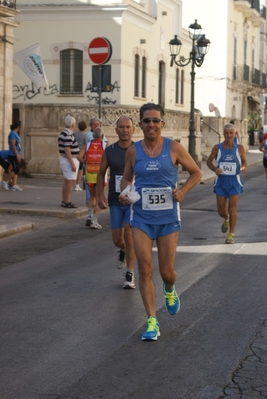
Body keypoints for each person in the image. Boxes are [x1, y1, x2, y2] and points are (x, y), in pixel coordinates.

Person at [119, 103, 202, 341]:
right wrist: (125, 192)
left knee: (167, 272)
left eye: (155, 120)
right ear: (141, 124)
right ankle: (152, 322)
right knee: (145, 267)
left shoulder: (174, 148)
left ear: (162, 123)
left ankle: (169, 288)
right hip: (141, 216)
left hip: (167, 218)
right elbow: (126, 177)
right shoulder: (133, 151)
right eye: (147, 121)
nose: (151, 125)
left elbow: (196, 172)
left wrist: (183, 191)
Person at [97, 116, 136, 288]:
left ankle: (130, 274)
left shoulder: (138, 149)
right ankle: (123, 250)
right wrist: (100, 196)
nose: (125, 130)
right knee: (117, 240)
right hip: (115, 199)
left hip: (133, 201)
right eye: (122, 127)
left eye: (128, 127)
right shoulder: (110, 150)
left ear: (133, 130)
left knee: (129, 235)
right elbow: (100, 173)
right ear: (116, 130)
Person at [206, 123, 247, 244]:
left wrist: (243, 167)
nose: (229, 135)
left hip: (234, 182)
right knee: (221, 211)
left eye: (231, 133)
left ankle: (231, 234)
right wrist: (215, 169)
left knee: (232, 207)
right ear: (223, 134)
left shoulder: (239, 148)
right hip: (221, 183)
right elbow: (208, 162)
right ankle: (226, 218)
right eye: (226, 133)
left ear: (234, 134)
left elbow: (244, 162)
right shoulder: (217, 148)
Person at [78, 127, 107, 229]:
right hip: (101, 175)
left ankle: (89, 216)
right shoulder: (105, 145)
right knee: (100, 198)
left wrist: (87, 162)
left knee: (92, 196)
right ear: (102, 136)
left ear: (93, 136)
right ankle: (94, 221)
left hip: (90, 173)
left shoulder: (88, 145)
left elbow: (79, 157)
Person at [58, 115, 79, 208]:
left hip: (65, 159)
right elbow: (67, 149)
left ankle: (64, 200)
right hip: (68, 160)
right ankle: (67, 201)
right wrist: (72, 164)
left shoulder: (63, 133)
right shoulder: (69, 134)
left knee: (67, 180)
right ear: (73, 124)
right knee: (71, 181)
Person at [7, 121, 23, 191]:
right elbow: (13, 145)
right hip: (13, 154)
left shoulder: (15, 133)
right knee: (16, 169)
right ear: (18, 127)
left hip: (16, 153)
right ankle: (5, 181)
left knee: (14, 169)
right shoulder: (13, 133)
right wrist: (17, 155)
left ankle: (14, 184)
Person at [73, 121, 87, 191]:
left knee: (74, 169)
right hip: (81, 153)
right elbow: (85, 144)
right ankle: (77, 184)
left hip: (74, 152)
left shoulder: (74, 134)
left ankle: (73, 182)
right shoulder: (85, 135)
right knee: (80, 170)